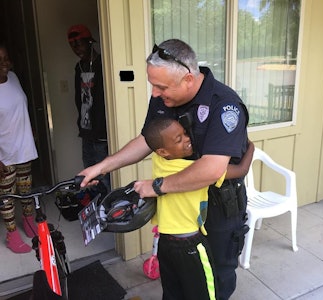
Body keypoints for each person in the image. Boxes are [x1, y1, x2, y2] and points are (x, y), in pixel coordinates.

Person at [79, 39, 249, 299]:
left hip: (217, 209)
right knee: (176, 284)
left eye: (160, 86)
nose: (155, 93)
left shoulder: (224, 104)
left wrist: (156, 187)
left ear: (188, 80)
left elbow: (212, 169)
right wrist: (102, 166)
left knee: (215, 281)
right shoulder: (164, 99)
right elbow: (148, 141)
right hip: (178, 214)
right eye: (153, 85)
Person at [143, 118, 254, 299]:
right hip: (190, 244)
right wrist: (251, 147)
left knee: (173, 292)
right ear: (163, 151)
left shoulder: (159, 160)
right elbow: (241, 169)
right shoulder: (196, 169)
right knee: (206, 293)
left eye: (185, 134)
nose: (187, 139)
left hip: (165, 242)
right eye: (178, 140)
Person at [0, 43, 38, 253]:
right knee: (7, 196)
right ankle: (12, 234)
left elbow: (20, 105)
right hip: (4, 152)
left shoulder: (13, 77)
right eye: (0, 60)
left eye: (6, 58)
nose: (5, 64)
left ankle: (29, 221)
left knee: (26, 189)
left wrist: (28, 127)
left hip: (23, 145)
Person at [67, 24, 110, 192]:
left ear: (90, 42)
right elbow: (79, 98)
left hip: (101, 134)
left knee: (104, 178)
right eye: (73, 45)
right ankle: (95, 211)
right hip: (86, 131)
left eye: (79, 43)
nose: (76, 48)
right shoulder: (79, 68)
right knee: (88, 177)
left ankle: (106, 213)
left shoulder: (103, 65)